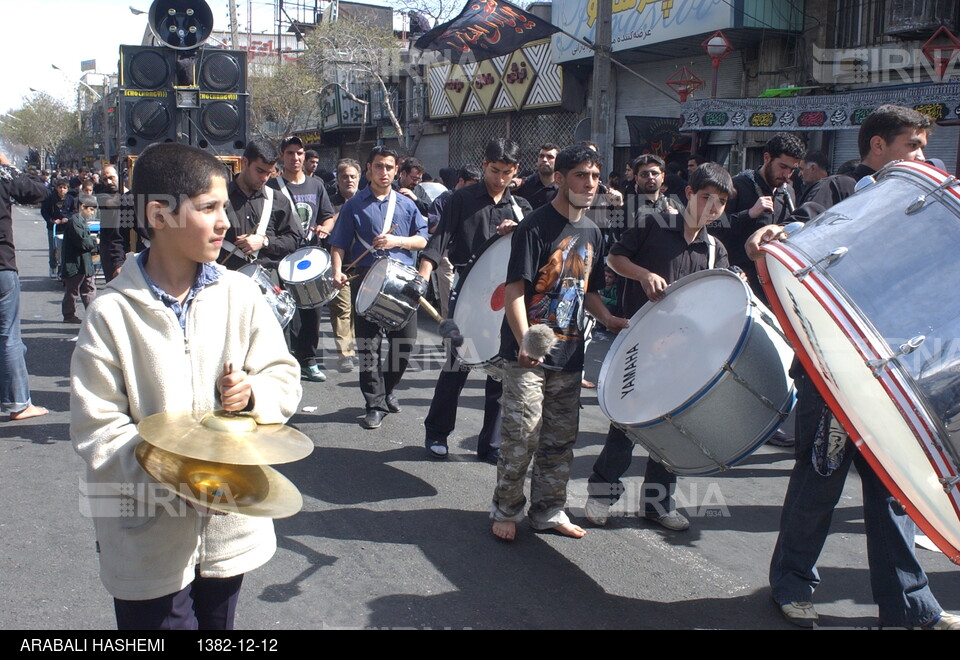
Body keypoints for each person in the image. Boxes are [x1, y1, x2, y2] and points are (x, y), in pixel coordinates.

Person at [70, 143, 301, 630]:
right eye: (209, 208)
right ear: (159, 214)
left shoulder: (241, 295)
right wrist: (177, 480)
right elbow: (98, 429)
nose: (226, 223)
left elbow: (284, 374)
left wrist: (255, 393)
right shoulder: (111, 313)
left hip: (228, 531)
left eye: (225, 208)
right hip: (145, 535)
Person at [745, 104, 959, 629]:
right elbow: (805, 228)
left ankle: (908, 606)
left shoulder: (923, 205)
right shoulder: (841, 188)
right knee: (818, 484)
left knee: (894, 496)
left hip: (894, 379)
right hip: (835, 373)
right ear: (878, 146)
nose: (922, 156)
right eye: (912, 145)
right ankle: (791, 585)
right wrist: (775, 235)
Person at [584, 163, 736, 532]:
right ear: (689, 194)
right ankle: (601, 496)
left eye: (720, 203)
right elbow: (614, 259)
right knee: (625, 427)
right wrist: (643, 274)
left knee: (669, 432)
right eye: (705, 198)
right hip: (637, 346)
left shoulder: (715, 250)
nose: (711, 208)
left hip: (682, 358)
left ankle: (657, 505)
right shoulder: (653, 223)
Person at [490, 144, 627, 541]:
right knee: (523, 432)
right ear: (563, 178)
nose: (589, 183)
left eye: (595, 176)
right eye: (581, 175)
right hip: (526, 354)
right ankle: (506, 508)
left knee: (560, 439)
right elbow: (515, 290)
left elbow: (590, 292)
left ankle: (548, 509)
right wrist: (524, 343)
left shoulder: (594, 233)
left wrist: (610, 320)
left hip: (569, 353)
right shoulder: (535, 226)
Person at [418, 139, 532, 461]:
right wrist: (422, 276)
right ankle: (437, 432)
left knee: (500, 370)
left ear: (515, 171)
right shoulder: (461, 199)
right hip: (467, 295)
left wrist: (520, 230)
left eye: (506, 172)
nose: (499, 179)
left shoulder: (521, 208)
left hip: (506, 299)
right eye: (494, 170)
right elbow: (438, 240)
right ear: (484, 164)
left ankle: (490, 445)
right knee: (458, 363)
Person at [329, 146, 428, 430]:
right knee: (369, 346)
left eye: (389, 167)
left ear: (396, 170)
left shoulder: (407, 204)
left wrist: (398, 242)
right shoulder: (354, 205)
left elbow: (422, 240)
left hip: (402, 280)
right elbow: (339, 243)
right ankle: (374, 403)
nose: (384, 172)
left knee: (404, 343)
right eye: (378, 167)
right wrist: (337, 271)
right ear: (369, 168)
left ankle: (387, 389)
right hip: (366, 278)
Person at [270, 135, 335, 382]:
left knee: (313, 312)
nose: (296, 158)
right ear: (282, 156)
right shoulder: (273, 187)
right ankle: (285, 363)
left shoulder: (316, 185)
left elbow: (328, 216)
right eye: (290, 153)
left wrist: (325, 228)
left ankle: (308, 361)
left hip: (310, 258)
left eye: (300, 153)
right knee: (285, 312)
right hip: (281, 258)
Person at [716, 133, 804, 300]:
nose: (786, 175)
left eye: (792, 170)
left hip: (774, 282)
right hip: (739, 281)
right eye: (783, 167)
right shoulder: (737, 186)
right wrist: (748, 214)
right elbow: (715, 228)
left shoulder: (788, 192)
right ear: (766, 158)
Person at [1, 154, 51, 421]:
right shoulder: (2, 176)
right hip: (1, 267)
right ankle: (19, 403)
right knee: (8, 336)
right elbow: (38, 191)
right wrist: (8, 167)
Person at [221, 139, 304, 271]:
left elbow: (293, 240)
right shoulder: (220, 197)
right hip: (226, 278)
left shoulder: (278, 200)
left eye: (269, 173)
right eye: (260, 171)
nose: (265, 178)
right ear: (244, 163)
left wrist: (265, 242)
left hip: (266, 281)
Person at [425, 164, 481, 319]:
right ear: (461, 181)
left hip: (471, 254)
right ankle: (449, 334)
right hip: (446, 252)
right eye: (471, 185)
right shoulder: (444, 200)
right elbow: (433, 228)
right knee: (450, 296)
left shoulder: (477, 200)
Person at [322, 158, 361, 373]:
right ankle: (346, 353)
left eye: (353, 177)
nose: (349, 180)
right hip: (340, 266)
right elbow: (323, 231)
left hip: (364, 266)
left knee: (359, 310)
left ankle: (358, 348)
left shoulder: (366, 202)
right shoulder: (329, 203)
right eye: (344, 177)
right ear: (337, 179)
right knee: (342, 310)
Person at [60, 195, 99, 324]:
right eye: (91, 209)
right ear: (82, 207)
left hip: (84, 263)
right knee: (73, 290)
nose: (92, 213)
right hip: (75, 263)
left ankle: (93, 314)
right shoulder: (74, 221)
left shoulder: (81, 221)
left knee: (88, 288)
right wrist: (94, 241)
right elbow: (82, 241)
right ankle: (69, 314)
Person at [40, 178, 70, 279]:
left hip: (66, 227)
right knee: (54, 248)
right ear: (56, 188)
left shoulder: (70, 199)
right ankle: (53, 266)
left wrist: (68, 218)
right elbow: (44, 211)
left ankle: (62, 270)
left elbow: (74, 211)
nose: (62, 190)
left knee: (65, 249)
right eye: (60, 187)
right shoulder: (50, 199)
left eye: (64, 188)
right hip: (53, 227)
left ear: (67, 189)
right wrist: (52, 220)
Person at [514, 143, 559, 210]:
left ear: (558, 161)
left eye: (550, 157)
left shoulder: (562, 189)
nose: (544, 160)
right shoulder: (525, 184)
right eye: (541, 156)